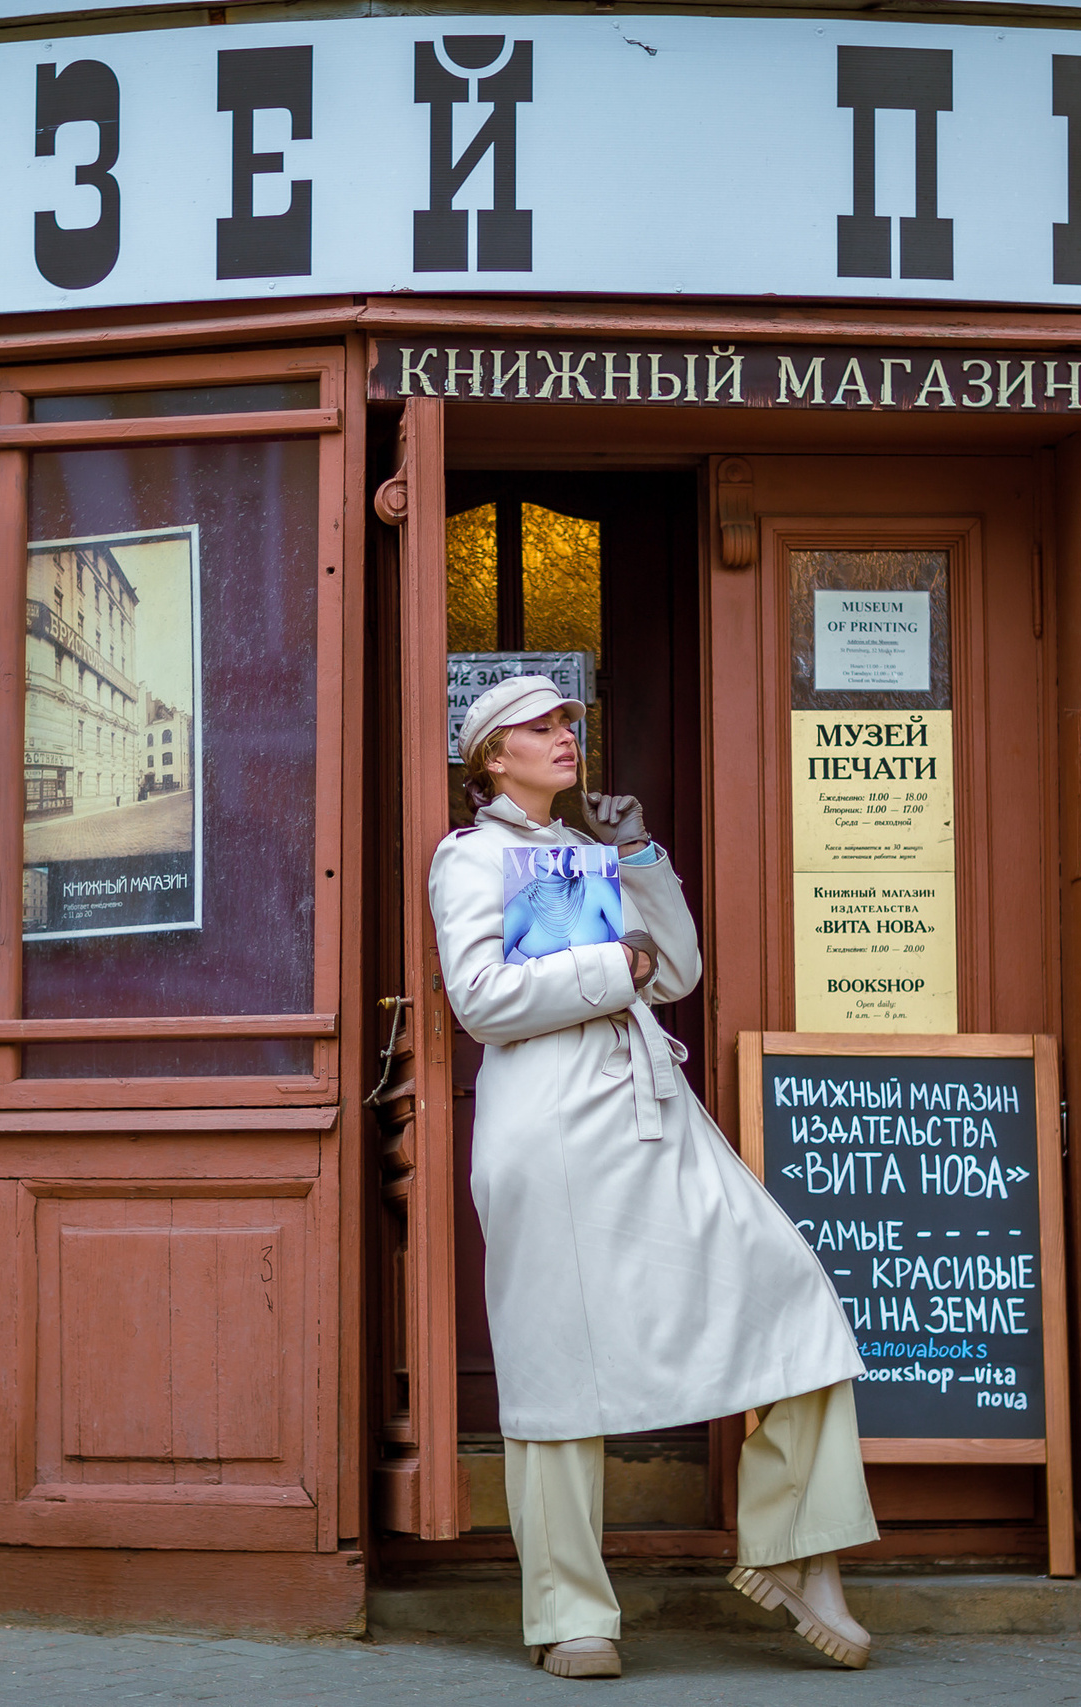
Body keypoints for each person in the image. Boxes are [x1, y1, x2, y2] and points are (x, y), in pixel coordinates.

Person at [428, 674, 878, 1682]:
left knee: (795, 1300)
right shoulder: (470, 857)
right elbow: (481, 1000)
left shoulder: (592, 850)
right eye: (539, 726)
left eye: (568, 721)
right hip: (546, 1126)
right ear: (492, 755)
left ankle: (796, 1552)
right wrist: (614, 969)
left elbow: (674, 973)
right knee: (557, 1362)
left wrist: (635, 858)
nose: (564, 735)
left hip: (651, 1117)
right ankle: (570, 1615)